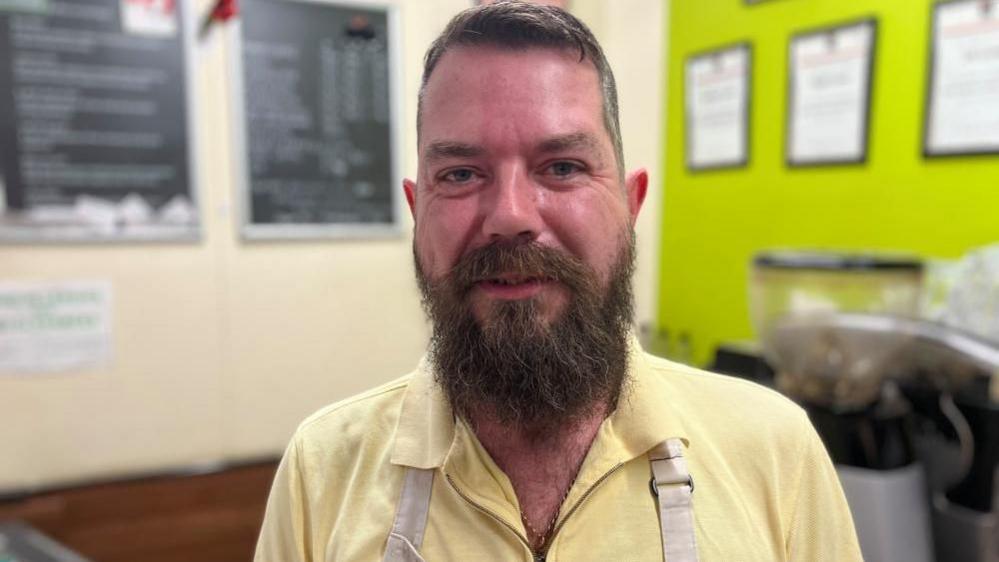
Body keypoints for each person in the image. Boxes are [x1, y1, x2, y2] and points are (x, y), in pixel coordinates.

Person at [254, 2, 862, 561]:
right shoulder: (323, 469)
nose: (511, 216)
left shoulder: (775, 453)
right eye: (462, 173)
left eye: (563, 167)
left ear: (629, 205)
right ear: (418, 212)